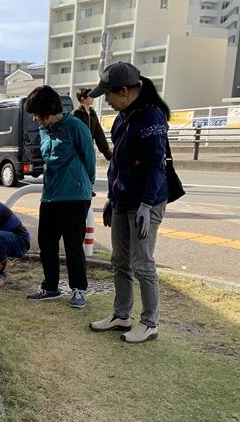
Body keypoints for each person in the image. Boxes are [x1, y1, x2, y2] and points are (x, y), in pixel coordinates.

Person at [87, 62, 169, 343]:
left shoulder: (151, 118)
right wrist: (111, 197)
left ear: (124, 91)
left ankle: (150, 323)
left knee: (143, 262)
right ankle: (122, 315)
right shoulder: (123, 117)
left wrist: (147, 204)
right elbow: (117, 165)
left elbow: (157, 165)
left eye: (108, 94)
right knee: (120, 260)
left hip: (145, 202)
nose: (106, 100)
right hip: (122, 199)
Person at [23, 85, 95, 308]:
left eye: (37, 114)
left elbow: (89, 157)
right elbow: (48, 158)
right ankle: (51, 286)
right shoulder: (45, 130)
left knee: (73, 245)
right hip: (51, 195)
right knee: (46, 243)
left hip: (74, 195)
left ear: (47, 110)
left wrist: (86, 185)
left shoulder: (75, 126)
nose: (35, 119)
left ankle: (78, 290)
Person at [73, 88, 113, 161]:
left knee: (90, 170)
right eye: (90, 96)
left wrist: (107, 153)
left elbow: (99, 133)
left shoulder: (92, 114)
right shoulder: (76, 114)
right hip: (77, 152)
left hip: (89, 149)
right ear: (83, 98)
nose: (93, 98)